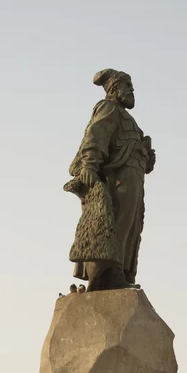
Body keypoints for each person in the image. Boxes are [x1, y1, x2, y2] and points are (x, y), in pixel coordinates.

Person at [65, 68, 156, 290]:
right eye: (127, 86)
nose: (132, 91)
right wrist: (89, 165)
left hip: (133, 176)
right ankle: (109, 274)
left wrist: (147, 157)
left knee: (132, 225)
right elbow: (96, 135)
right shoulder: (108, 108)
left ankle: (121, 271)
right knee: (117, 223)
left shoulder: (128, 118)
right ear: (114, 88)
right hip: (119, 177)